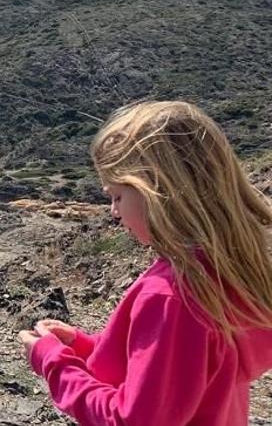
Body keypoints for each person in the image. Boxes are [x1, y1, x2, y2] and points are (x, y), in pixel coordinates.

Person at [18, 101, 272, 425]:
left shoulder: (170, 296)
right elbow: (168, 371)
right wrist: (81, 347)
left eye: (117, 196)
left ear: (156, 191)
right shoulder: (222, 270)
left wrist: (54, 363)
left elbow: (131, 419)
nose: (113, 211)